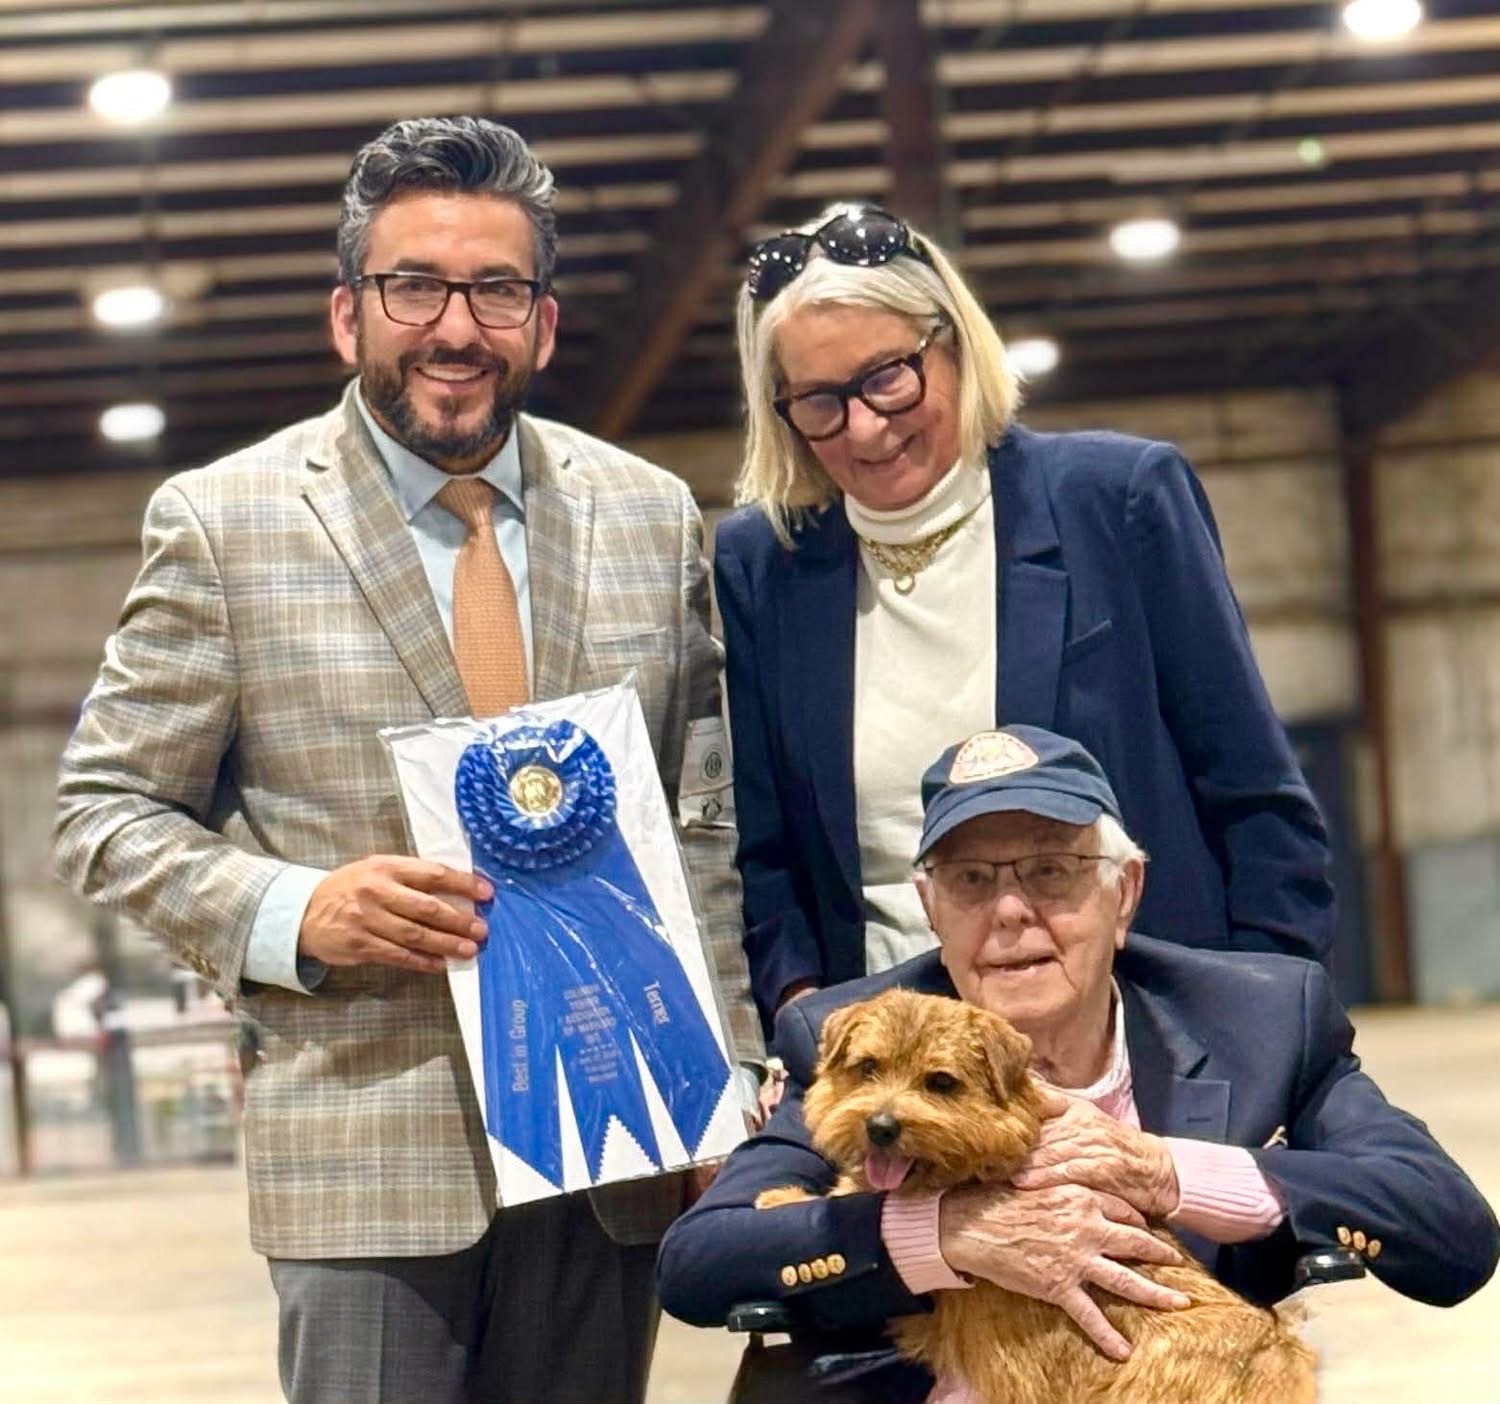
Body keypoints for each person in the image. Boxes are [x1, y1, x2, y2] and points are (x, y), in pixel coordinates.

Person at [54, 116, 761, 1404]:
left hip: (620, 1148)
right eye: (414, 287)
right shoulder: (224, 524)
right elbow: (106, 811)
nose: (456, 327)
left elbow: (699, 822)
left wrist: (724, 1084)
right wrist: (293, 909)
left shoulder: (650, 513)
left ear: (543, 324)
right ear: (350, 316)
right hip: (367, 1155)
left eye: (497, 290)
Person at [657, 725, 1499, 1403]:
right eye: (971, 880)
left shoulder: (1264, 1017)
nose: (1010, 911)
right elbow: (700, 1262)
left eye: (1051, 872)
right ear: (929, 908)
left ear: (1124, 893)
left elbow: (1450, 1229)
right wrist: (938, 1234)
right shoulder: (851, 1035)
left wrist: (1169, 1173)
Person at [714, 203, 1334, 1033]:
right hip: (897, 1062)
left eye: (888, 376)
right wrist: (801, 1014)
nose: (864, 426)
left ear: (953, 345)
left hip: (1141, 1040)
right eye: (820, 401)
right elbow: (764, 855)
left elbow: (1257, 801)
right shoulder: (763, 563)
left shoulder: (1120, 501)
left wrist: (1265, 1030)